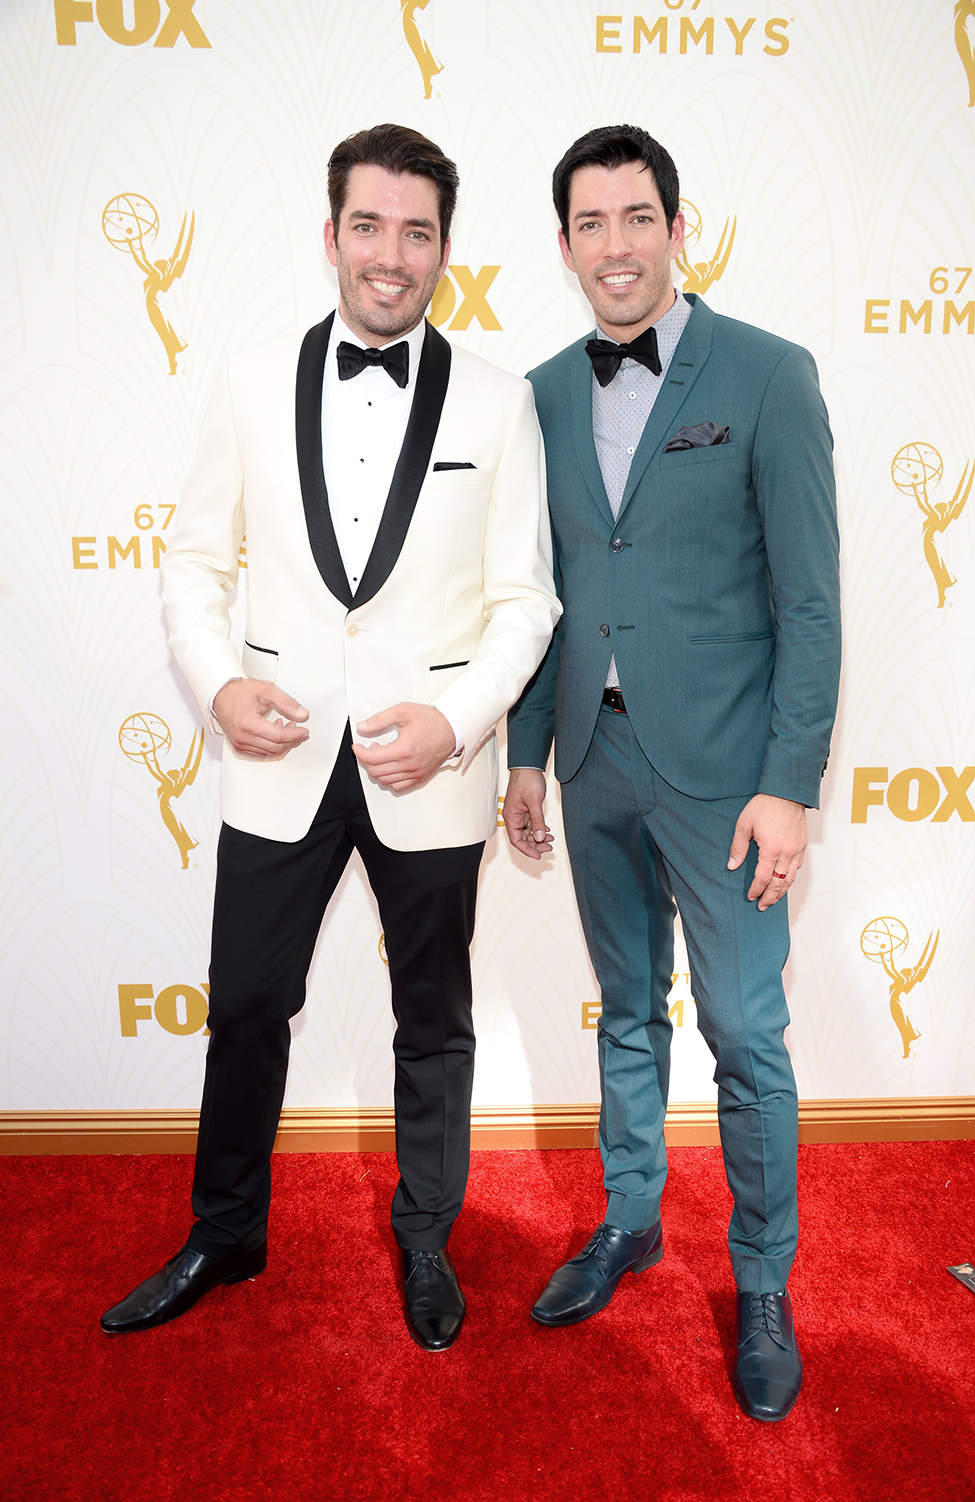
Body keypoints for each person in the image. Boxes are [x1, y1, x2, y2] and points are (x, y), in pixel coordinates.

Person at [100, 123, 560, 1352]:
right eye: (370, 226)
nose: (391, 255)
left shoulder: (502, 401)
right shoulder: (249, 382)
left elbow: (528, 600)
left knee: (435, 1019)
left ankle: (426, 1237)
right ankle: (225, 1229)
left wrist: (459, 720)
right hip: (278, 757)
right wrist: (214, 686)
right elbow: (195, 563)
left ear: (444, 250)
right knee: (248, 1004)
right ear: (331, 236)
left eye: (417, 233)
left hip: (433, 770)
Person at [504, 125, 839, 1421]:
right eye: (591, 224)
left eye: (636, 217)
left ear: (677, 226)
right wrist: (529, 754)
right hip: (593, 762)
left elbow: (812, 602)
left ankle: (763, 1280)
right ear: (566, 245)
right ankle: (630, 1220)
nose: (616, 245)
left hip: (728, 778)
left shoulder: (767, 373)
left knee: (745, 1032)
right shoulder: (537, 391)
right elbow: (542, 592)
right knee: (627, 1008)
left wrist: (792, 781)